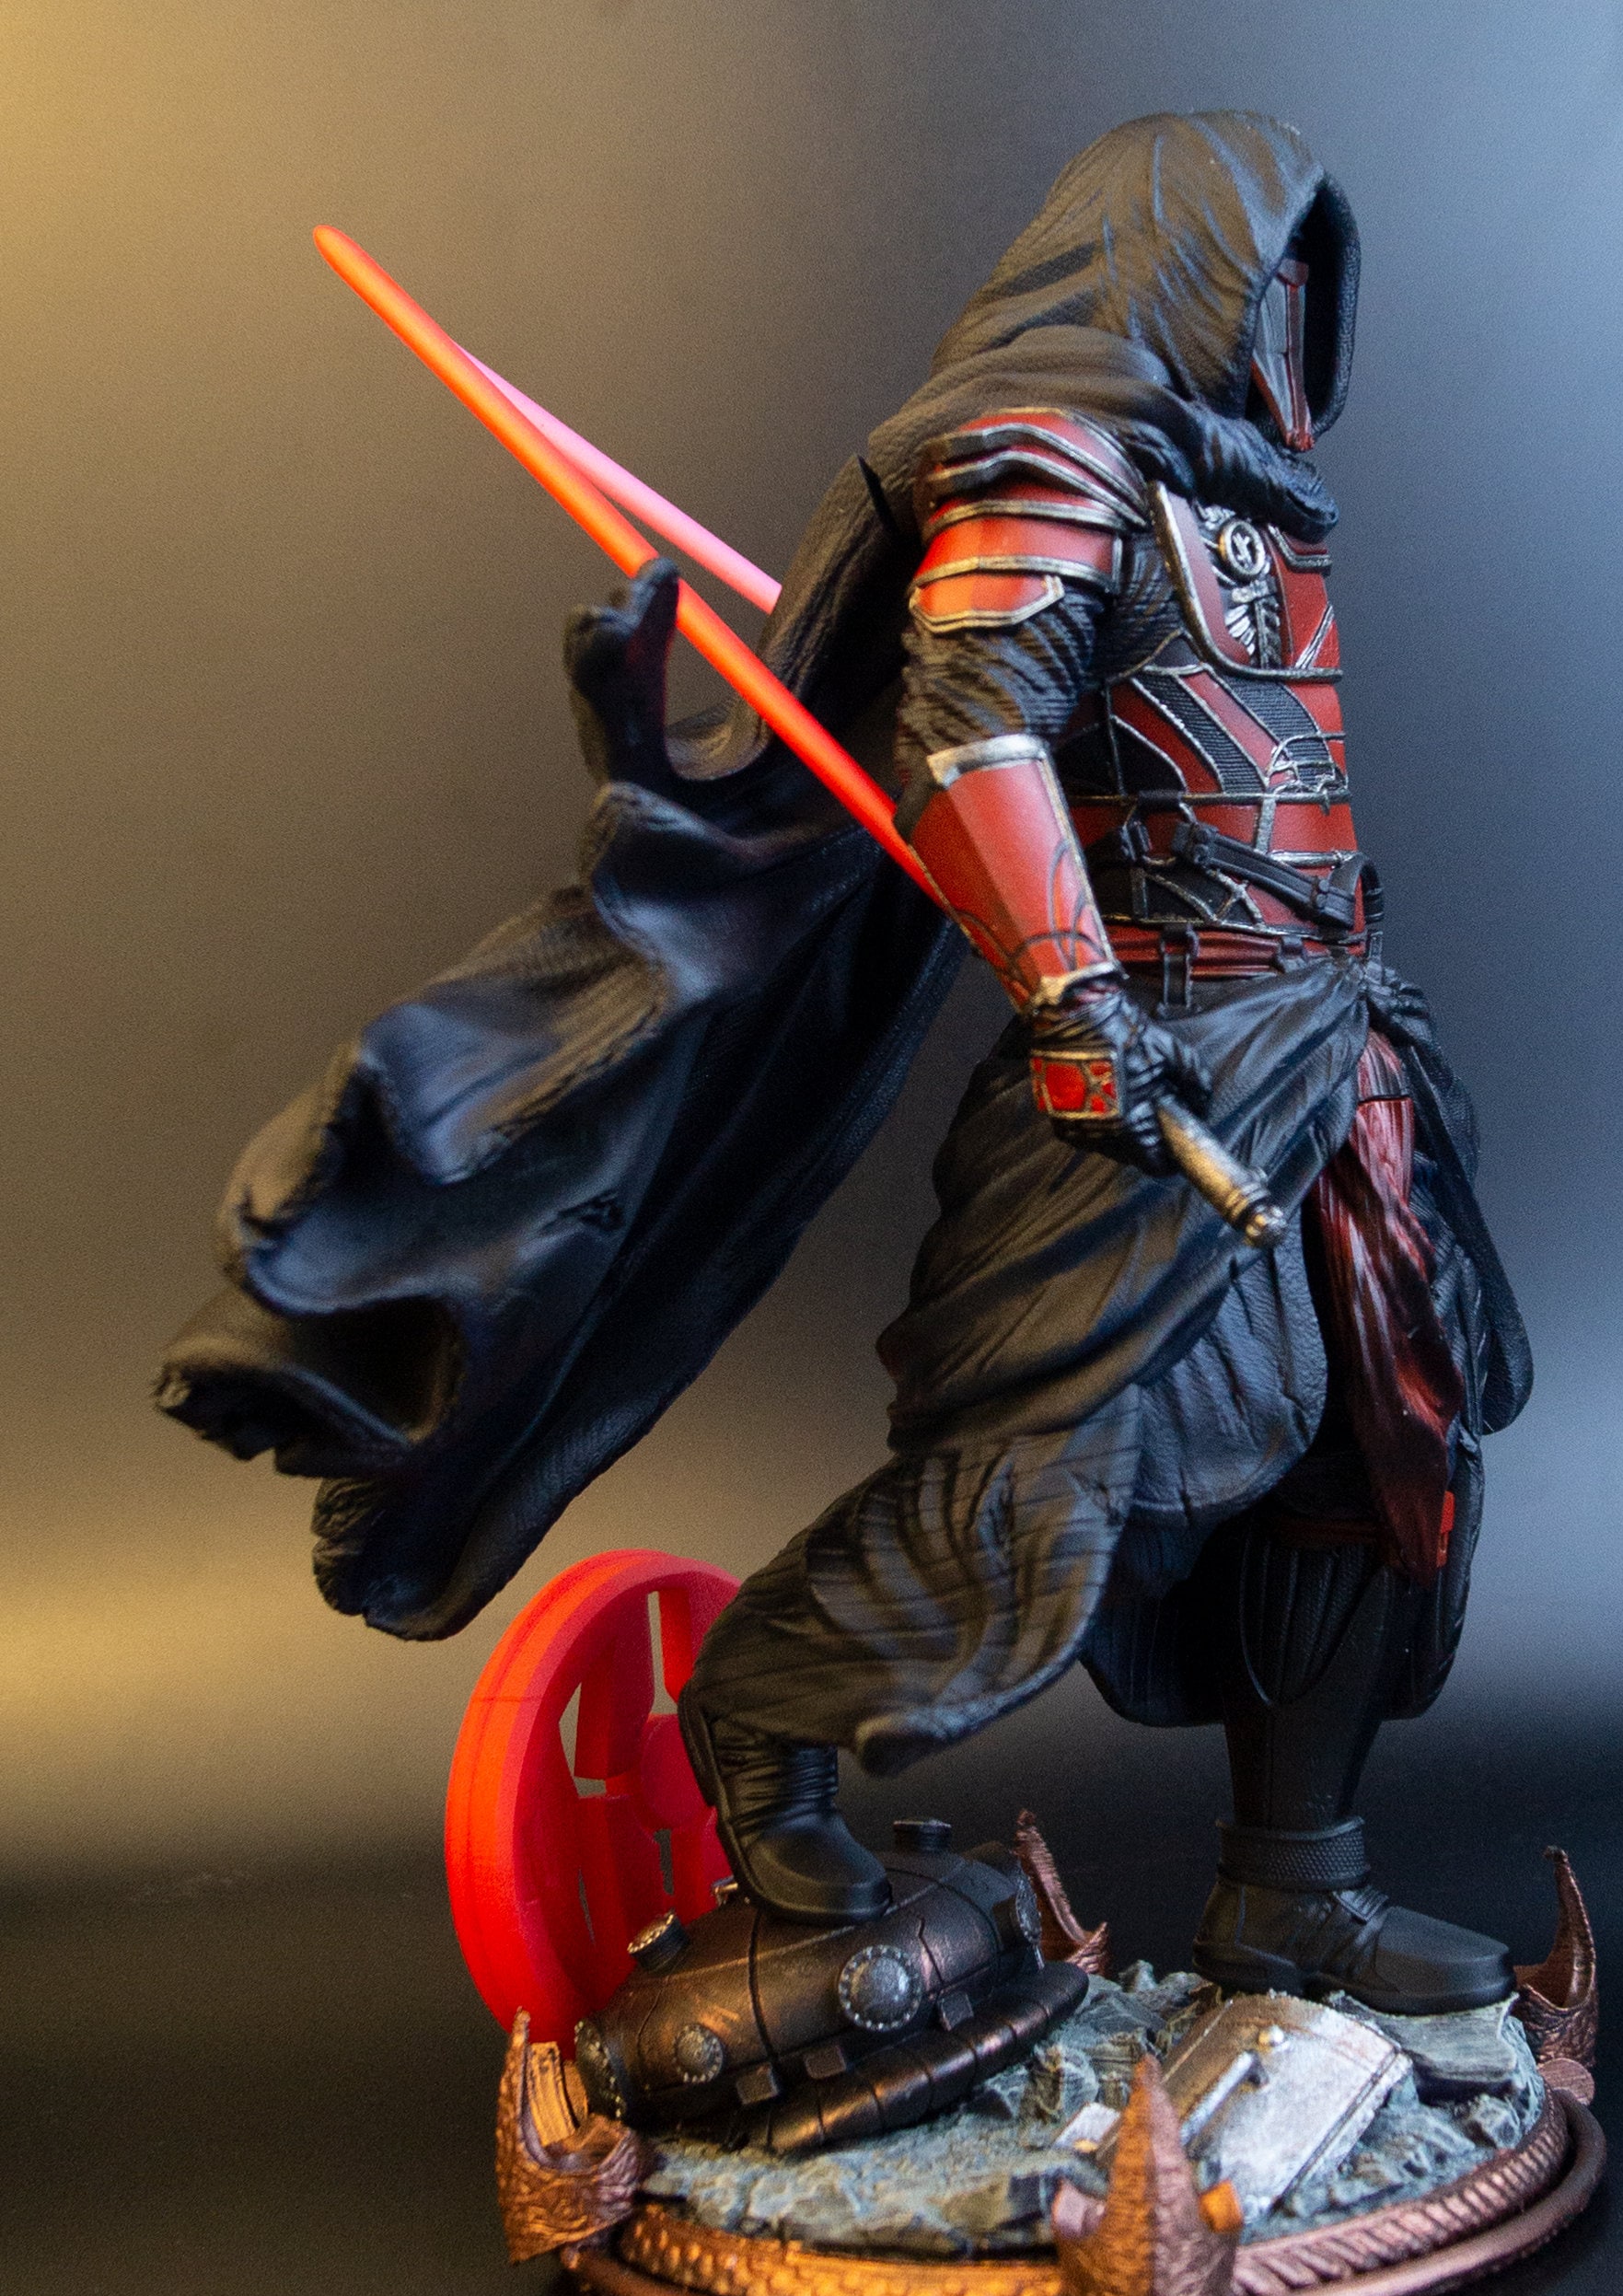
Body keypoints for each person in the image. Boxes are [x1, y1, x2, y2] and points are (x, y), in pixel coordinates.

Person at [159, 111, 1531, 2014]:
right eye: (1265, 276)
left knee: (1376, 1456)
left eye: (1314, 290)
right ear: (1183, 265)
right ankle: (761, 1721)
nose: (1286, 326)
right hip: (1146, 1077)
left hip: (1330, 1060)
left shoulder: (1243, 503)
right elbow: (976, 739)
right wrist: (1074, 1005)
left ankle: (1294, 1889)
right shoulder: (1046, 461)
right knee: (1063, 1479)